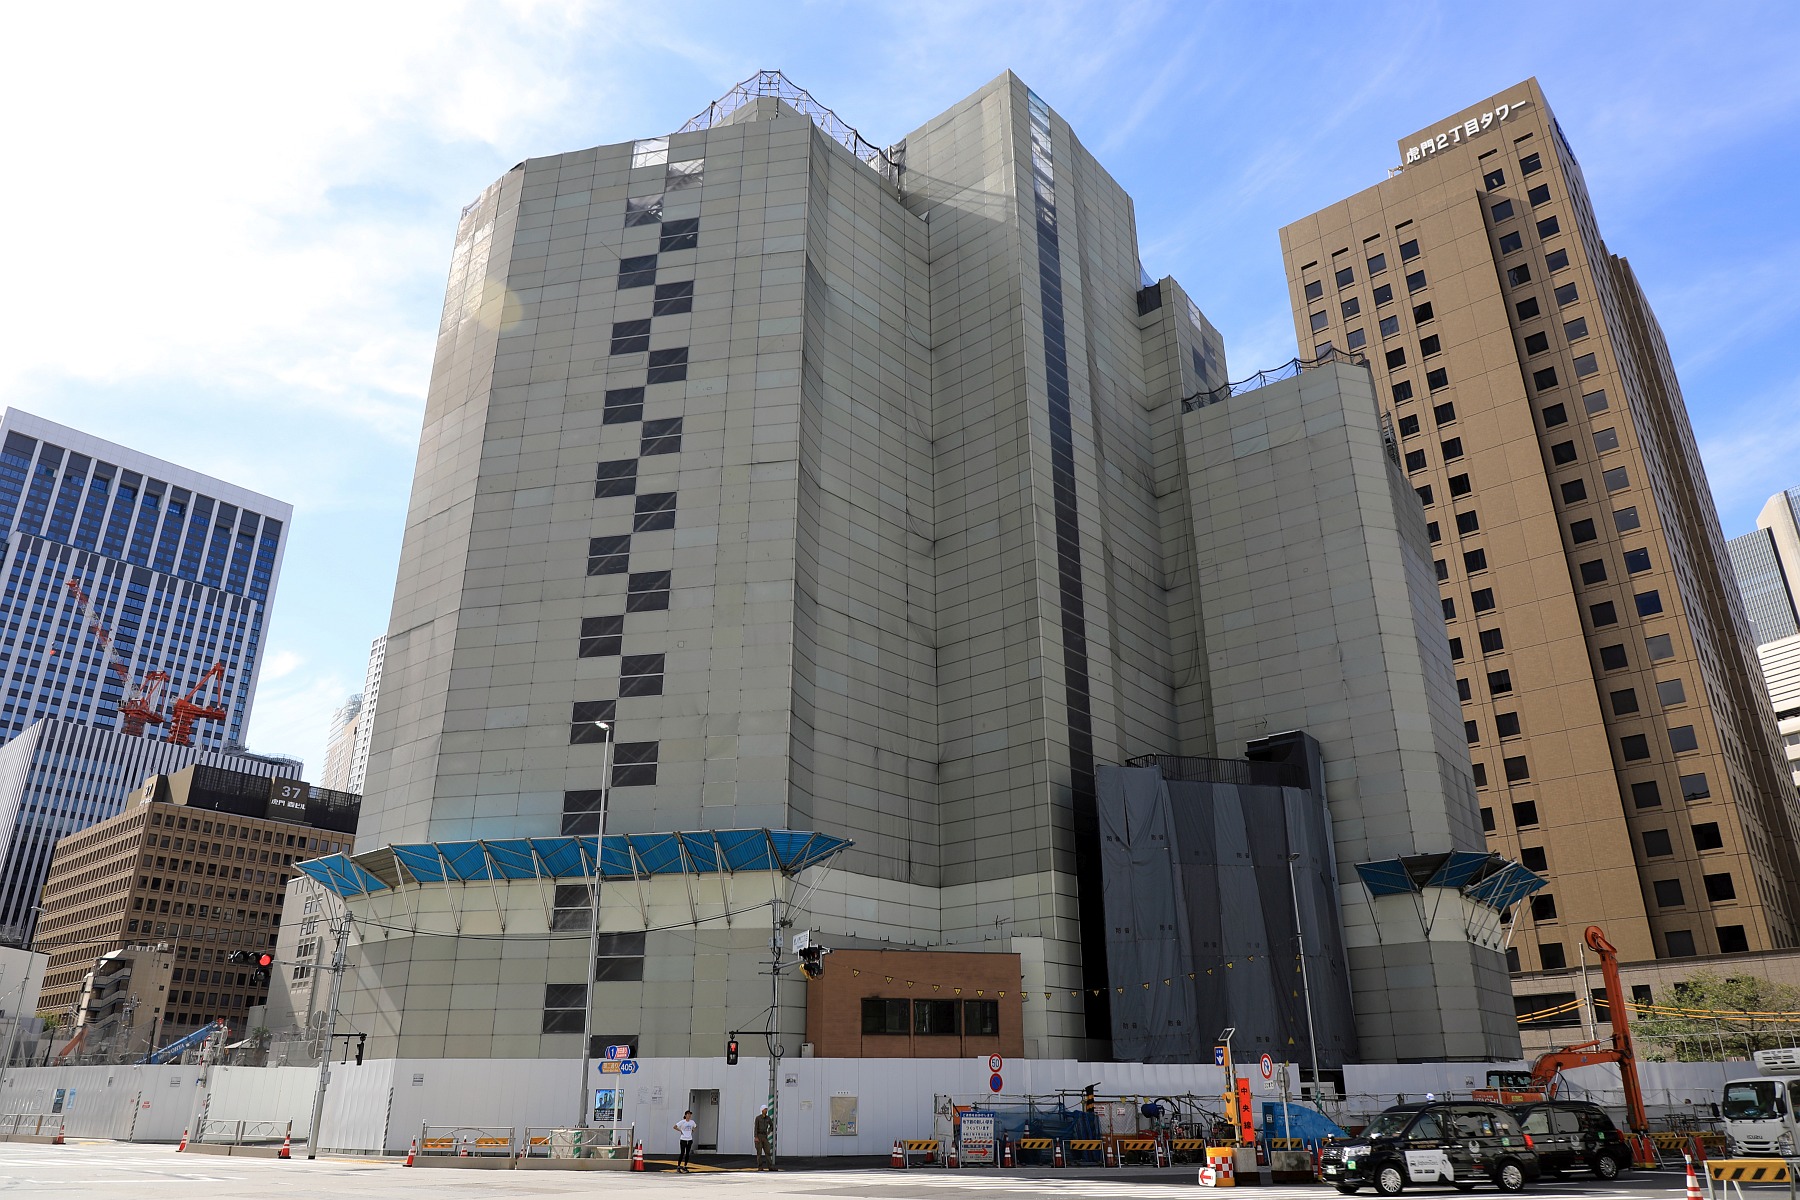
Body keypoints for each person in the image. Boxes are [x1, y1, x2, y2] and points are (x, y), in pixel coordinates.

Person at [754, 1105, 775, 1170]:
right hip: (759, 1136)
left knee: (767, 1152)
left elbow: (771, 1125)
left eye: (766, 1109)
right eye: (765, 1109)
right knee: (759, 1152)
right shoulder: (758, 1118)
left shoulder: (768, 1118)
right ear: (762, 1110)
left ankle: (770, 1166)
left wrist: (769, 1131)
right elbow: (755, 1128)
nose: (766, 1110)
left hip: (765, 1136)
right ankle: (760, 1167)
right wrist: (756, 1137)